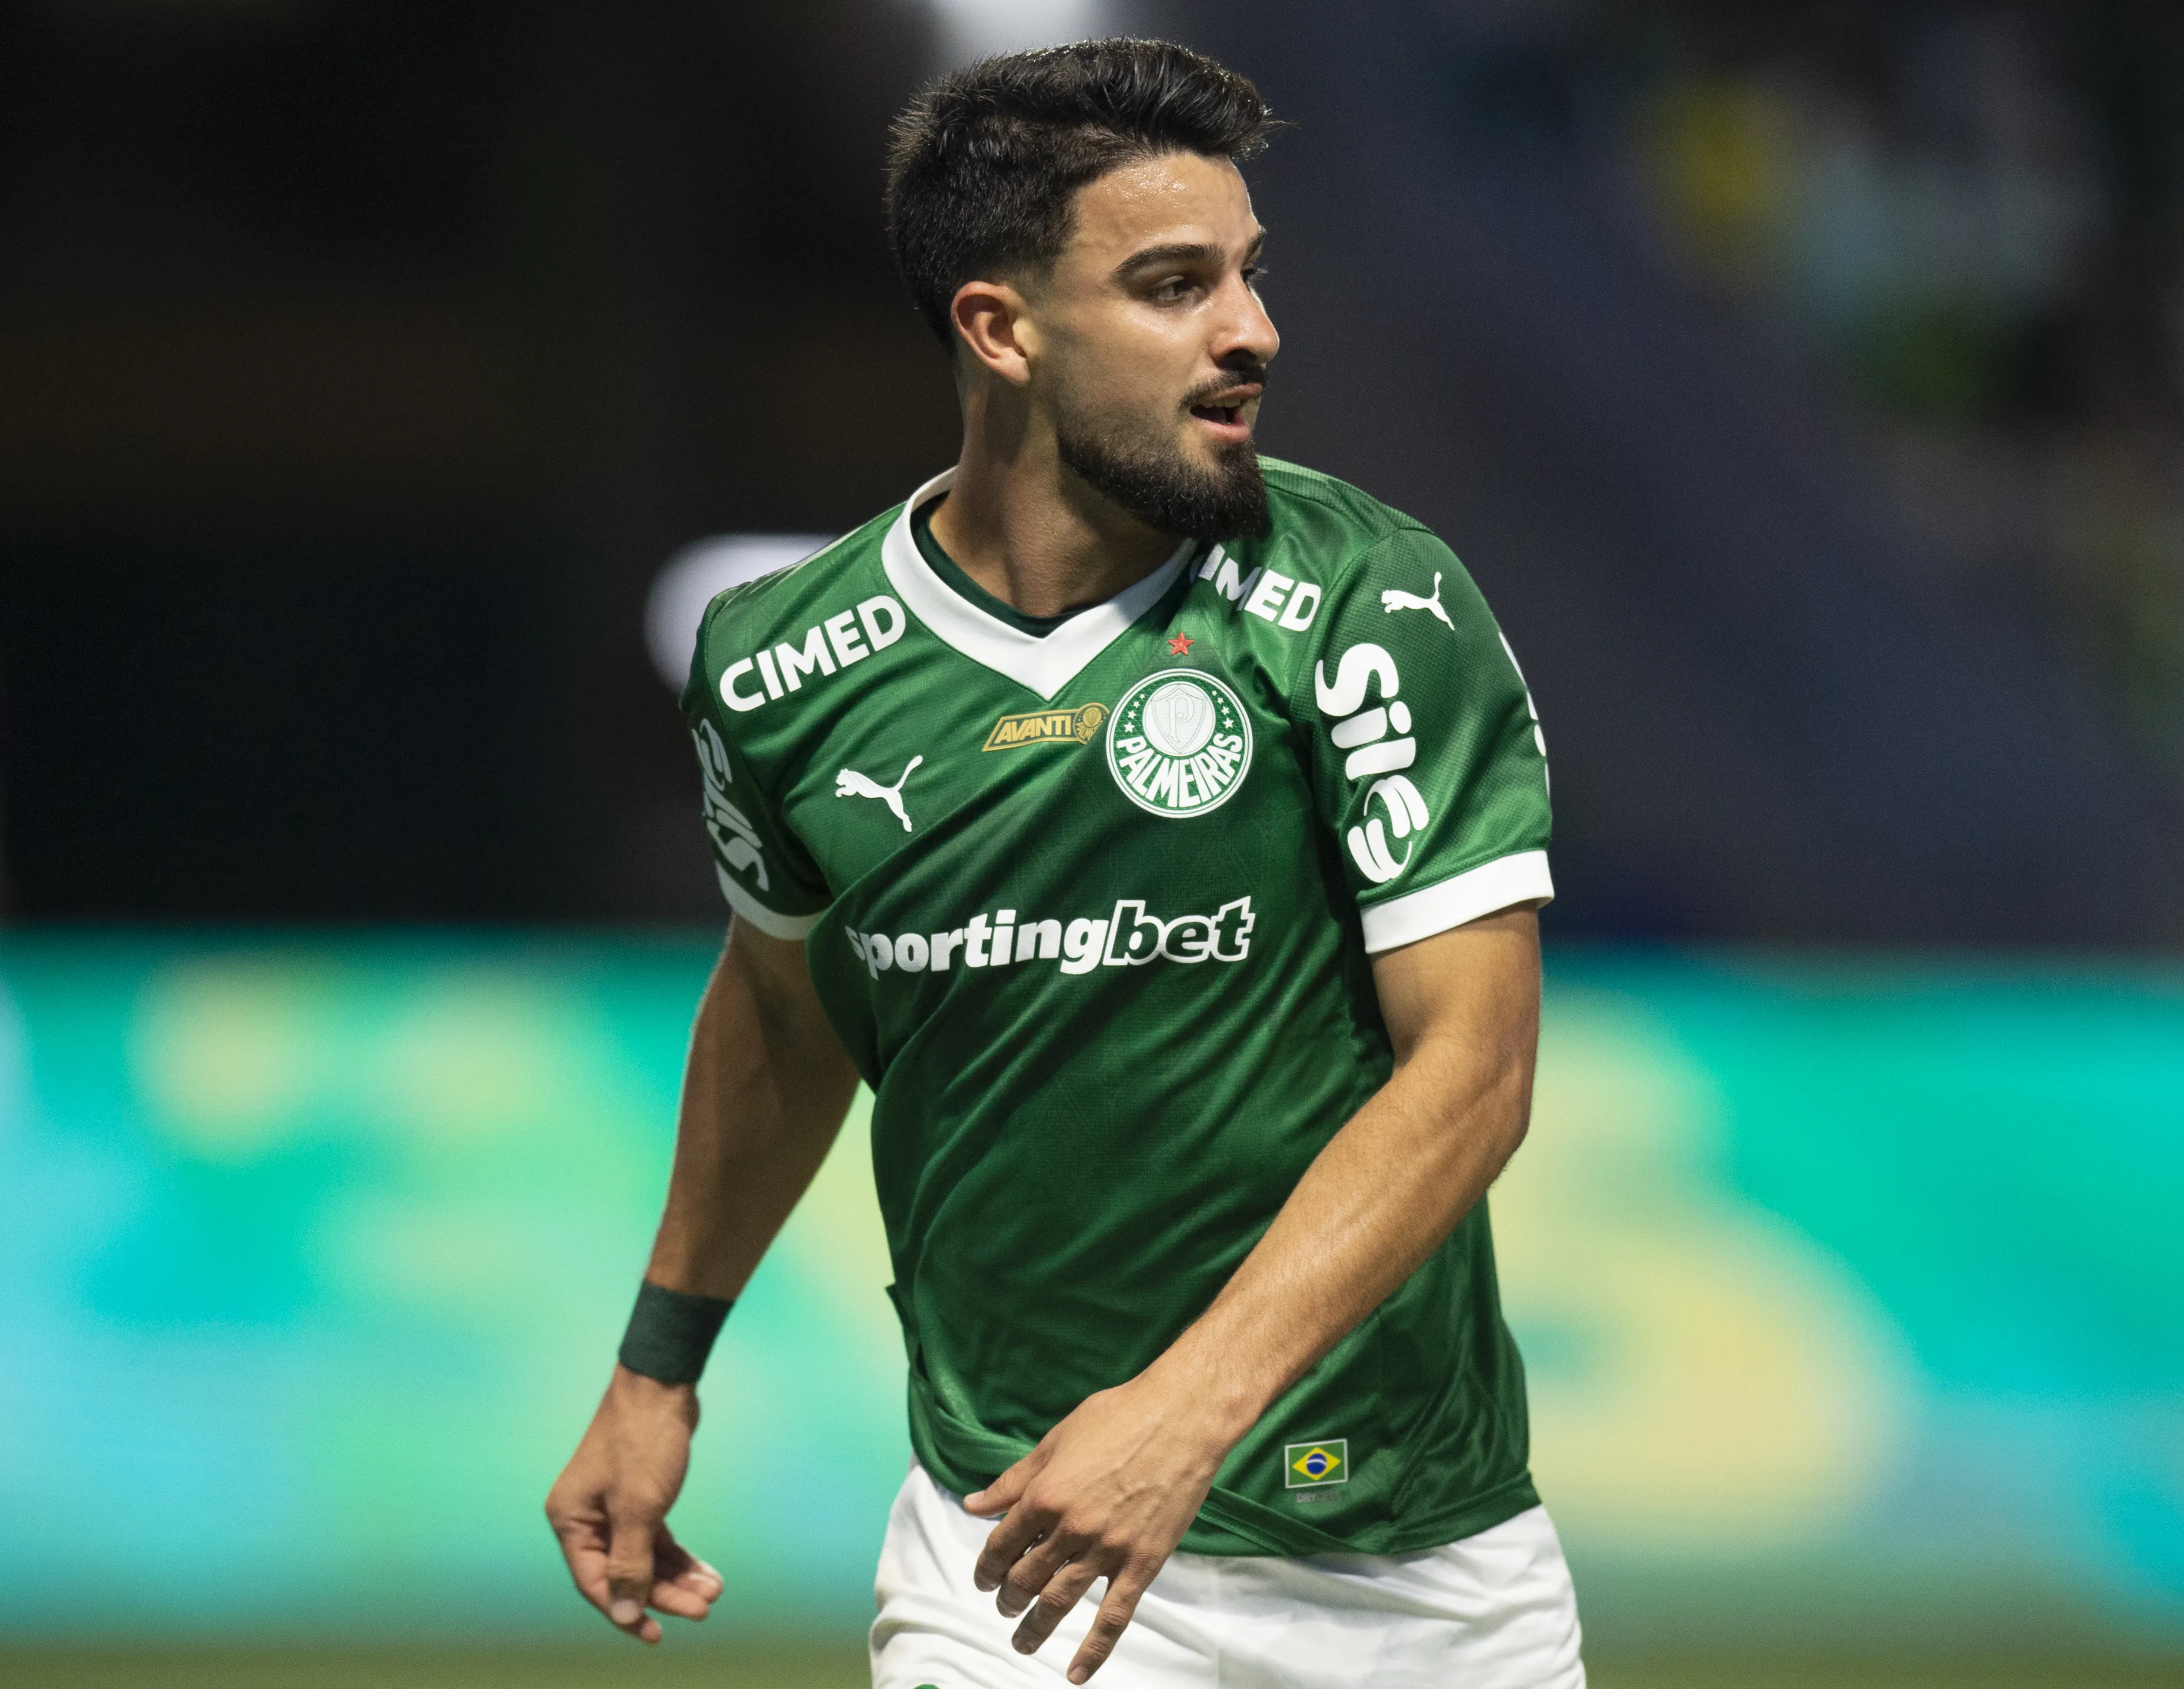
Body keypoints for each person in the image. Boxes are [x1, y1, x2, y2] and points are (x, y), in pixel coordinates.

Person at [544, 37, 1578, 1688]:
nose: (1252, 331)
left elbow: (1475, 1065)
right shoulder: (781, 669)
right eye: (1175, 285)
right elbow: (785, 1017)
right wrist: (659, 1367)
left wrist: (1181, 1414)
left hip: (1411, 1568)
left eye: (1248, 275)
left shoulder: (1371, 601)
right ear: (1001, 329)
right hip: (1012, 1554)